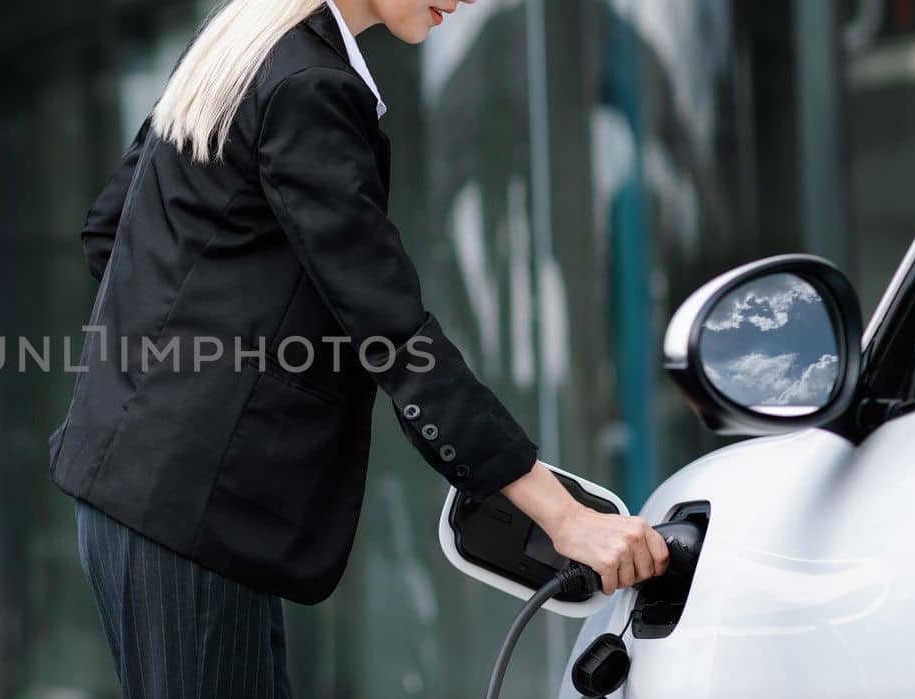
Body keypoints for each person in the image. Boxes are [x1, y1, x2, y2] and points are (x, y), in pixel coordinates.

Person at [47, 0, 669, 696]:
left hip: (147, 495)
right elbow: (396, 335)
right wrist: (565, 518)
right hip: (188, 511)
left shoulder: (243, 44)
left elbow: (113, 231)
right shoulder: (310, 85)